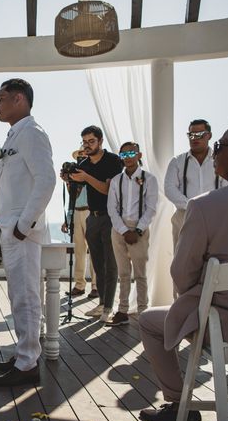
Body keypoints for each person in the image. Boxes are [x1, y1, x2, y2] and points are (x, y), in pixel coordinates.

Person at [138, 117, 228, 421]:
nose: (216, 152)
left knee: (150, 321)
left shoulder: (206, 206)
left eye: (219, 146)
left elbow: (181, 274)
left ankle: (180, 405)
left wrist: (200, 291)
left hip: (225, 329)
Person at [0, 78, 56, 387]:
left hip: (21, 231)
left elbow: (46, 180)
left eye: (1, 99)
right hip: (8, 228)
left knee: (27, 295)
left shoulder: (33, 133)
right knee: (17, 295)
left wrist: (22, 225)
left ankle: (28, 363)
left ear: (18, 100)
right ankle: (22, 353)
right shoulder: (14, 135)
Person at [164, 119, 226, 298]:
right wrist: (191, 206)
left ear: (209, 135)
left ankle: (209, 303)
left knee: (213, 261)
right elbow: (169, 188)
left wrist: (208, 208)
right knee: (181, 263)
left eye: (199, 134)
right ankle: (180, 305)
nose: (194, 138)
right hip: (183, 216)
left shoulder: (219, 160)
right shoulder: (178, 161)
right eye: (191, 134)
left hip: (215, 218)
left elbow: (226, 186)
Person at [67, 126, 123, 323]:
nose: (87, 145)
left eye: (91, 141)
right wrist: (70, 179)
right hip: (92, 216)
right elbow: (78, 189)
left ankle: (109, 307)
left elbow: (108, 189)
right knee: (98, 263)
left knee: (110, 263)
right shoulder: (84, 162)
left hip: (111, 216)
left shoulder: (113, 161)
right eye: (85, 141)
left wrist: (86, 177)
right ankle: (101, 304)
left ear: (100, 141)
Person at [105, 142, 158, 326]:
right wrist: (123, 230)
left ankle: (143, 310)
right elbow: (111, 208)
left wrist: (138, 230)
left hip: (139, 229)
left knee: (140, 273)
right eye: (123, 154)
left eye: (131, 153)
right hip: (119, 229)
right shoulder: (115, 180)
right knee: (123, 273)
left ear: (139, 154)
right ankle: (122, 311)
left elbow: (151, 208)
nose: (127, 157)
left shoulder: (149, 179)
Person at [61, 149, 97, 299]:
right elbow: (72, 200)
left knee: (94, 251)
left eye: (83, 157)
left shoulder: (92, 174)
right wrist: (67, 220)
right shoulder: (73, 178)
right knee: (79, 252)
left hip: (90, 211)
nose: (81, 160)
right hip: (76, 211)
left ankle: (96, 286)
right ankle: (79, 284)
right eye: (79, 158)